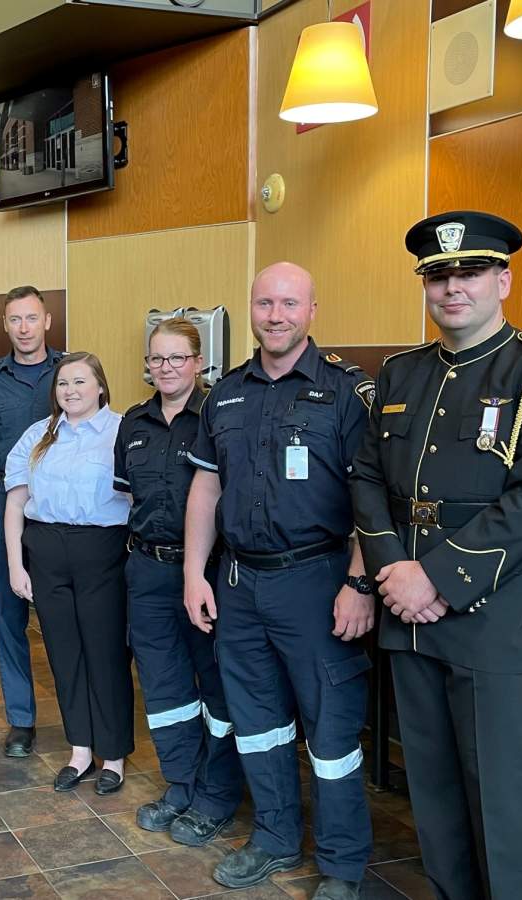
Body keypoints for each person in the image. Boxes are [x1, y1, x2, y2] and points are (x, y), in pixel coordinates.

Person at [349, 211, 522, 900]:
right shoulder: (400, 374)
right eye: (438, 275)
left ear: (503, 280)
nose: (452, 287)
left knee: (507, 814)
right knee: (436, 803)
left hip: (502, 624)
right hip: (412, 619)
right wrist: (394, 572)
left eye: (469, 273)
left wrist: (431, 577)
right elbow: (366, 478)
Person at [184, 263, 375, 900]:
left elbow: (373, 497)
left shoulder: (347, 393)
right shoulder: (227, 392)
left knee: (331, 729)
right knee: (257, 720)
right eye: (265, 303)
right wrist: (193, 572)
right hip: (239, 583)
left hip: (318, 583)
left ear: (312, 310)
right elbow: (207, 485)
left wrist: (359, 581)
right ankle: (273, 837)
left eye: (289, 303)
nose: (275, 315)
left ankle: (343, 865)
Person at [113, 318, 243, 845]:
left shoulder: (218, 418)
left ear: (198, 362)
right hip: (145, 570)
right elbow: (128, 496)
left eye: (176, 358)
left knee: (215, 687)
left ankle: (217, 793)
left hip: (207, 573)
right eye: (157, 359)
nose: (165, 368)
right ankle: (182, 785)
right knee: (164, 688)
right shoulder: (134, 421)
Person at [4, 352, 134, 796]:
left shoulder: (122, 431)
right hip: (45, 552)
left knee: (106, 654)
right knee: (64, 655)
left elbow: (140, 501)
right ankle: (80, 750)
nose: (70, 391)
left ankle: (113, 755)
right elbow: (16, 502)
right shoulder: (38, 435)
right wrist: (17, 565)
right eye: (63, 384)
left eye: (80, 382)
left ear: (100, 386)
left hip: (102, 551)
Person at [0, 285, 65, 758]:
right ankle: (21, 718)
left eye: (31, 318)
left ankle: (80, 718)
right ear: (5, 325)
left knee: (65, 613)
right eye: (14, 319)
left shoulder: (72, 372)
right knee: (7, 614)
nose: (24, 327)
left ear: (47, 321)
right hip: (3, 498)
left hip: (61, 499)